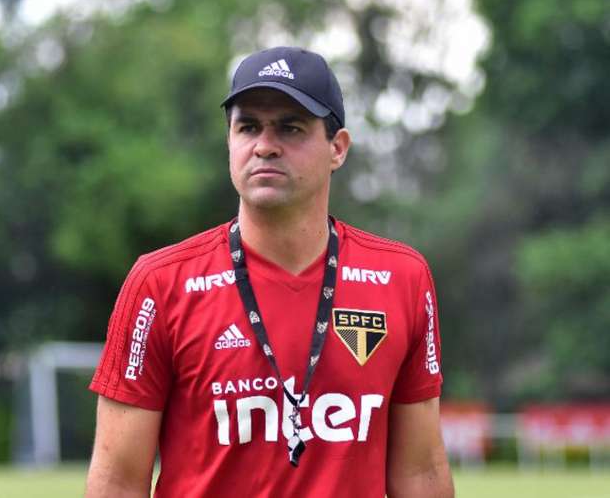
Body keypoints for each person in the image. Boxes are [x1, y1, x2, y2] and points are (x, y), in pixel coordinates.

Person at [85, 46, 453, 498]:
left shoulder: (402, 278)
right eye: (248, 127)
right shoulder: (160, 283)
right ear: (230, 141)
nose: (264, 145)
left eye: (290, 128)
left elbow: (421, 476)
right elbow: (117, 483)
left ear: (337, 148)